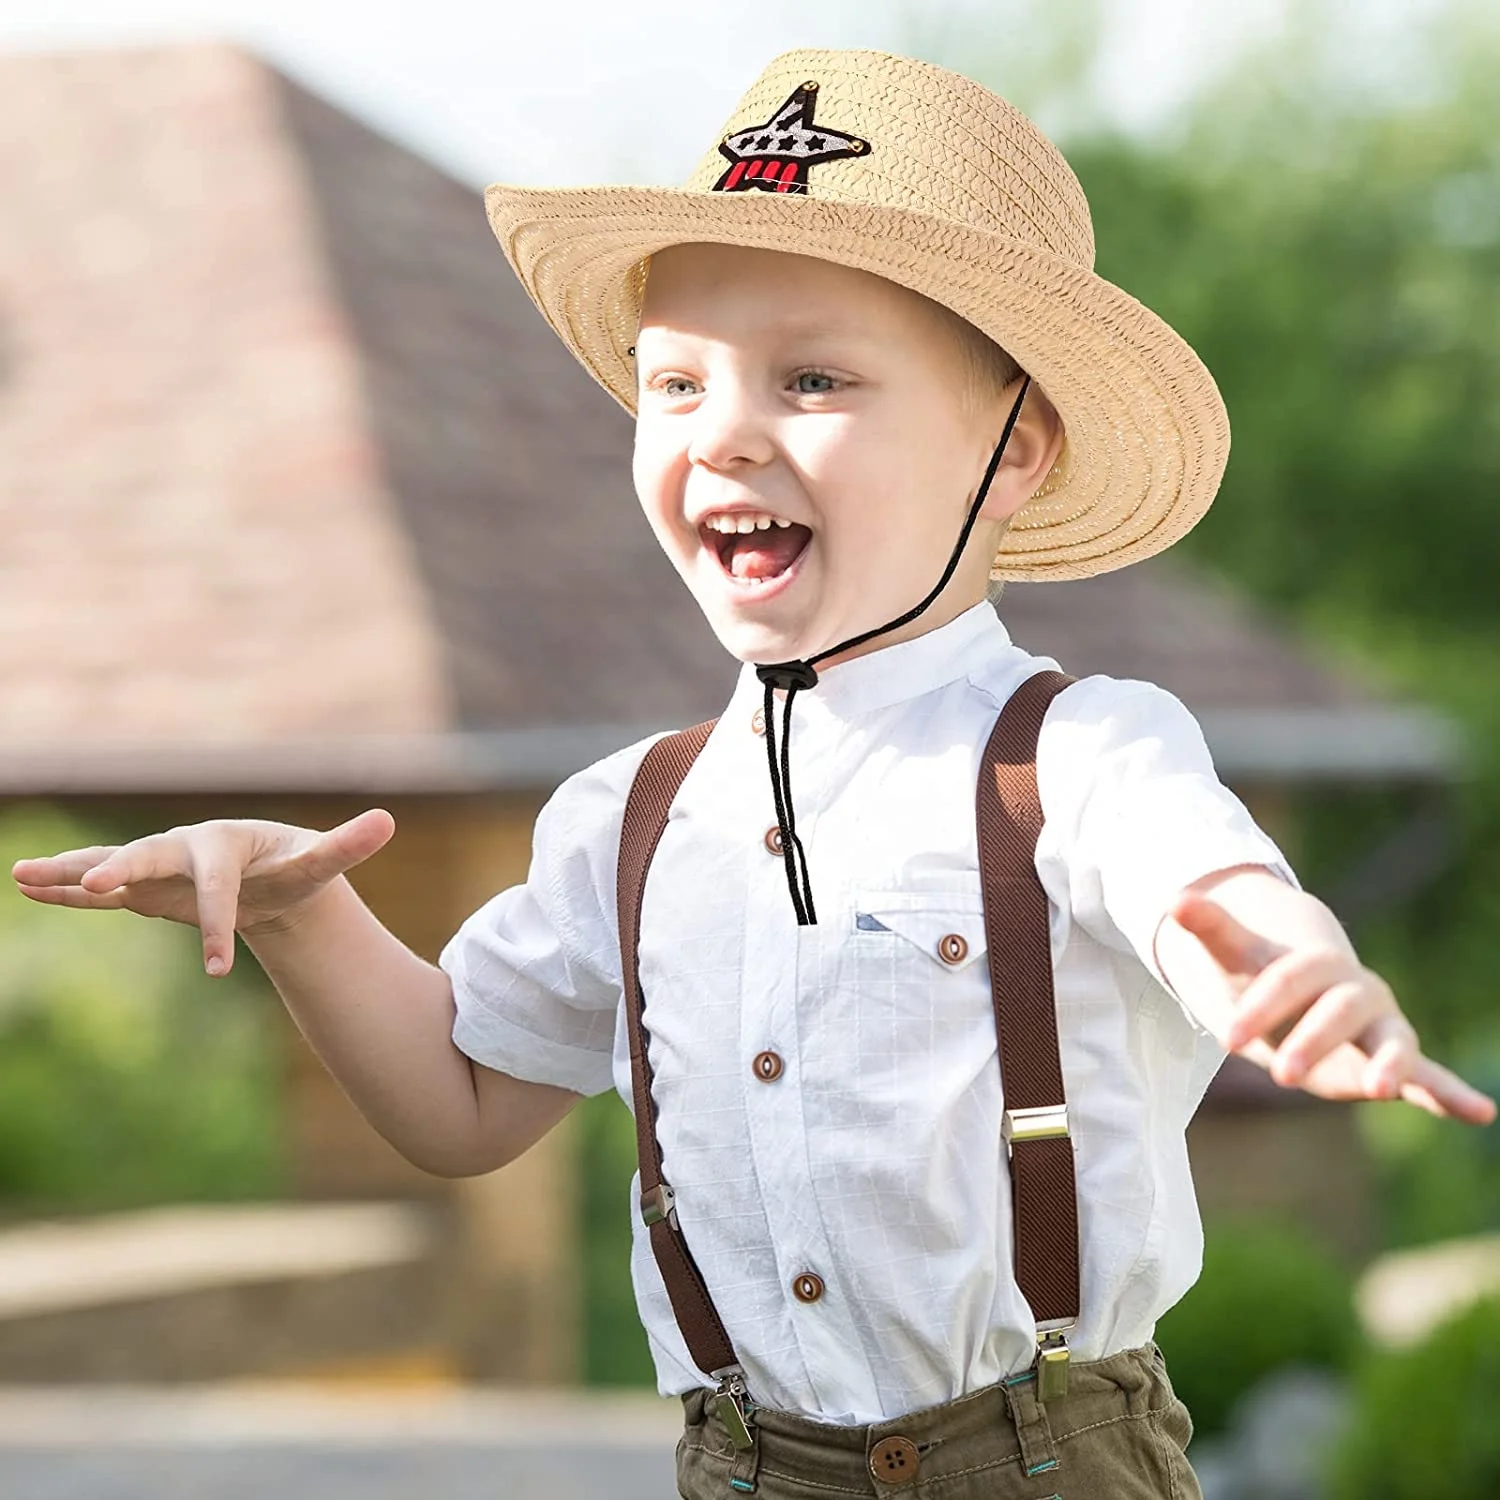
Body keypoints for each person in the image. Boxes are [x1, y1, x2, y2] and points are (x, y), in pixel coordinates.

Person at [11, 47, 1494, 1500]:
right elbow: (460, 1104)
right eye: (674, 385)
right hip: (745, 1467)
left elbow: (1197, 881)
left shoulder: (1079, 755)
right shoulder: (633, 821)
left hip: (1047, 1467)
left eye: (811, 377)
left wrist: (1288, 960)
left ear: (1017, 444)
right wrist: (296, 914)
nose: (724, 431)